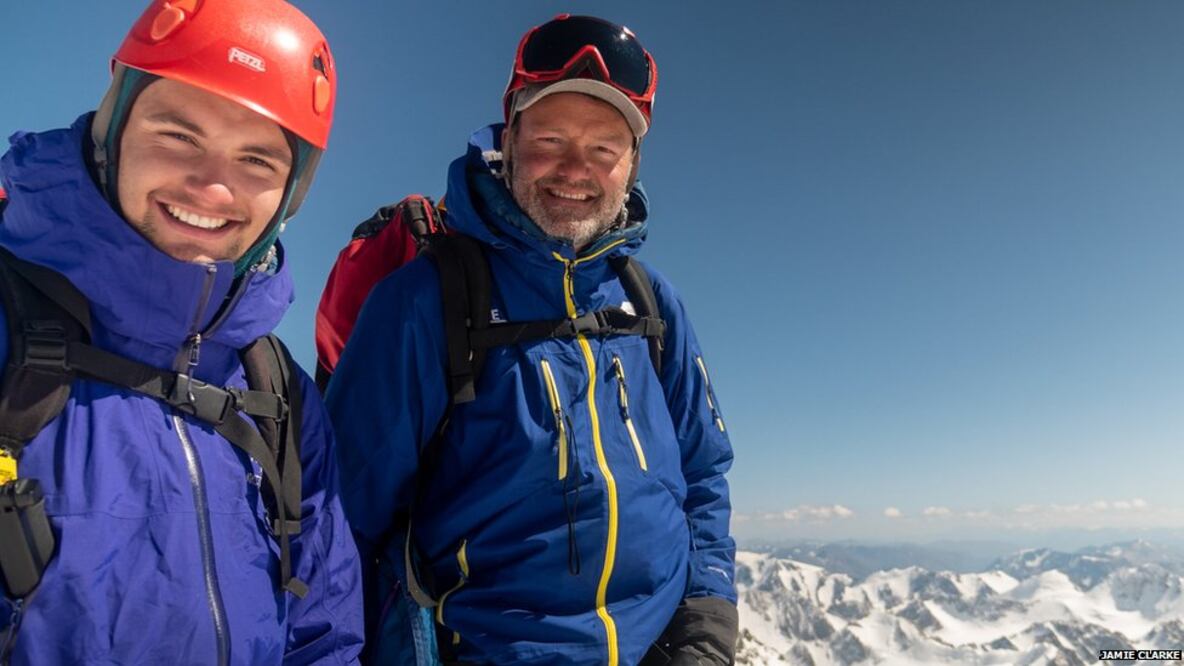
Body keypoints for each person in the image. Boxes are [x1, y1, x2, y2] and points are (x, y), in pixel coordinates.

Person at [326, 15, 738, 665]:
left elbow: (703, 471)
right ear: (510, 139)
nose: (576, 169)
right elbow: (343, 520)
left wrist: (708, 615)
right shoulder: (424, 302)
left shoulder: (651, 302)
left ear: (631, 165)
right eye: (551, 139)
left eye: (603, 148)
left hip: (663, 647)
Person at [0, 1, 363, 663]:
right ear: (113, 130)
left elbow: (323, 631)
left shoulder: (277, 392)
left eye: (257, 161)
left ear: (290, 195)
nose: (212, 189)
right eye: (178, 135)